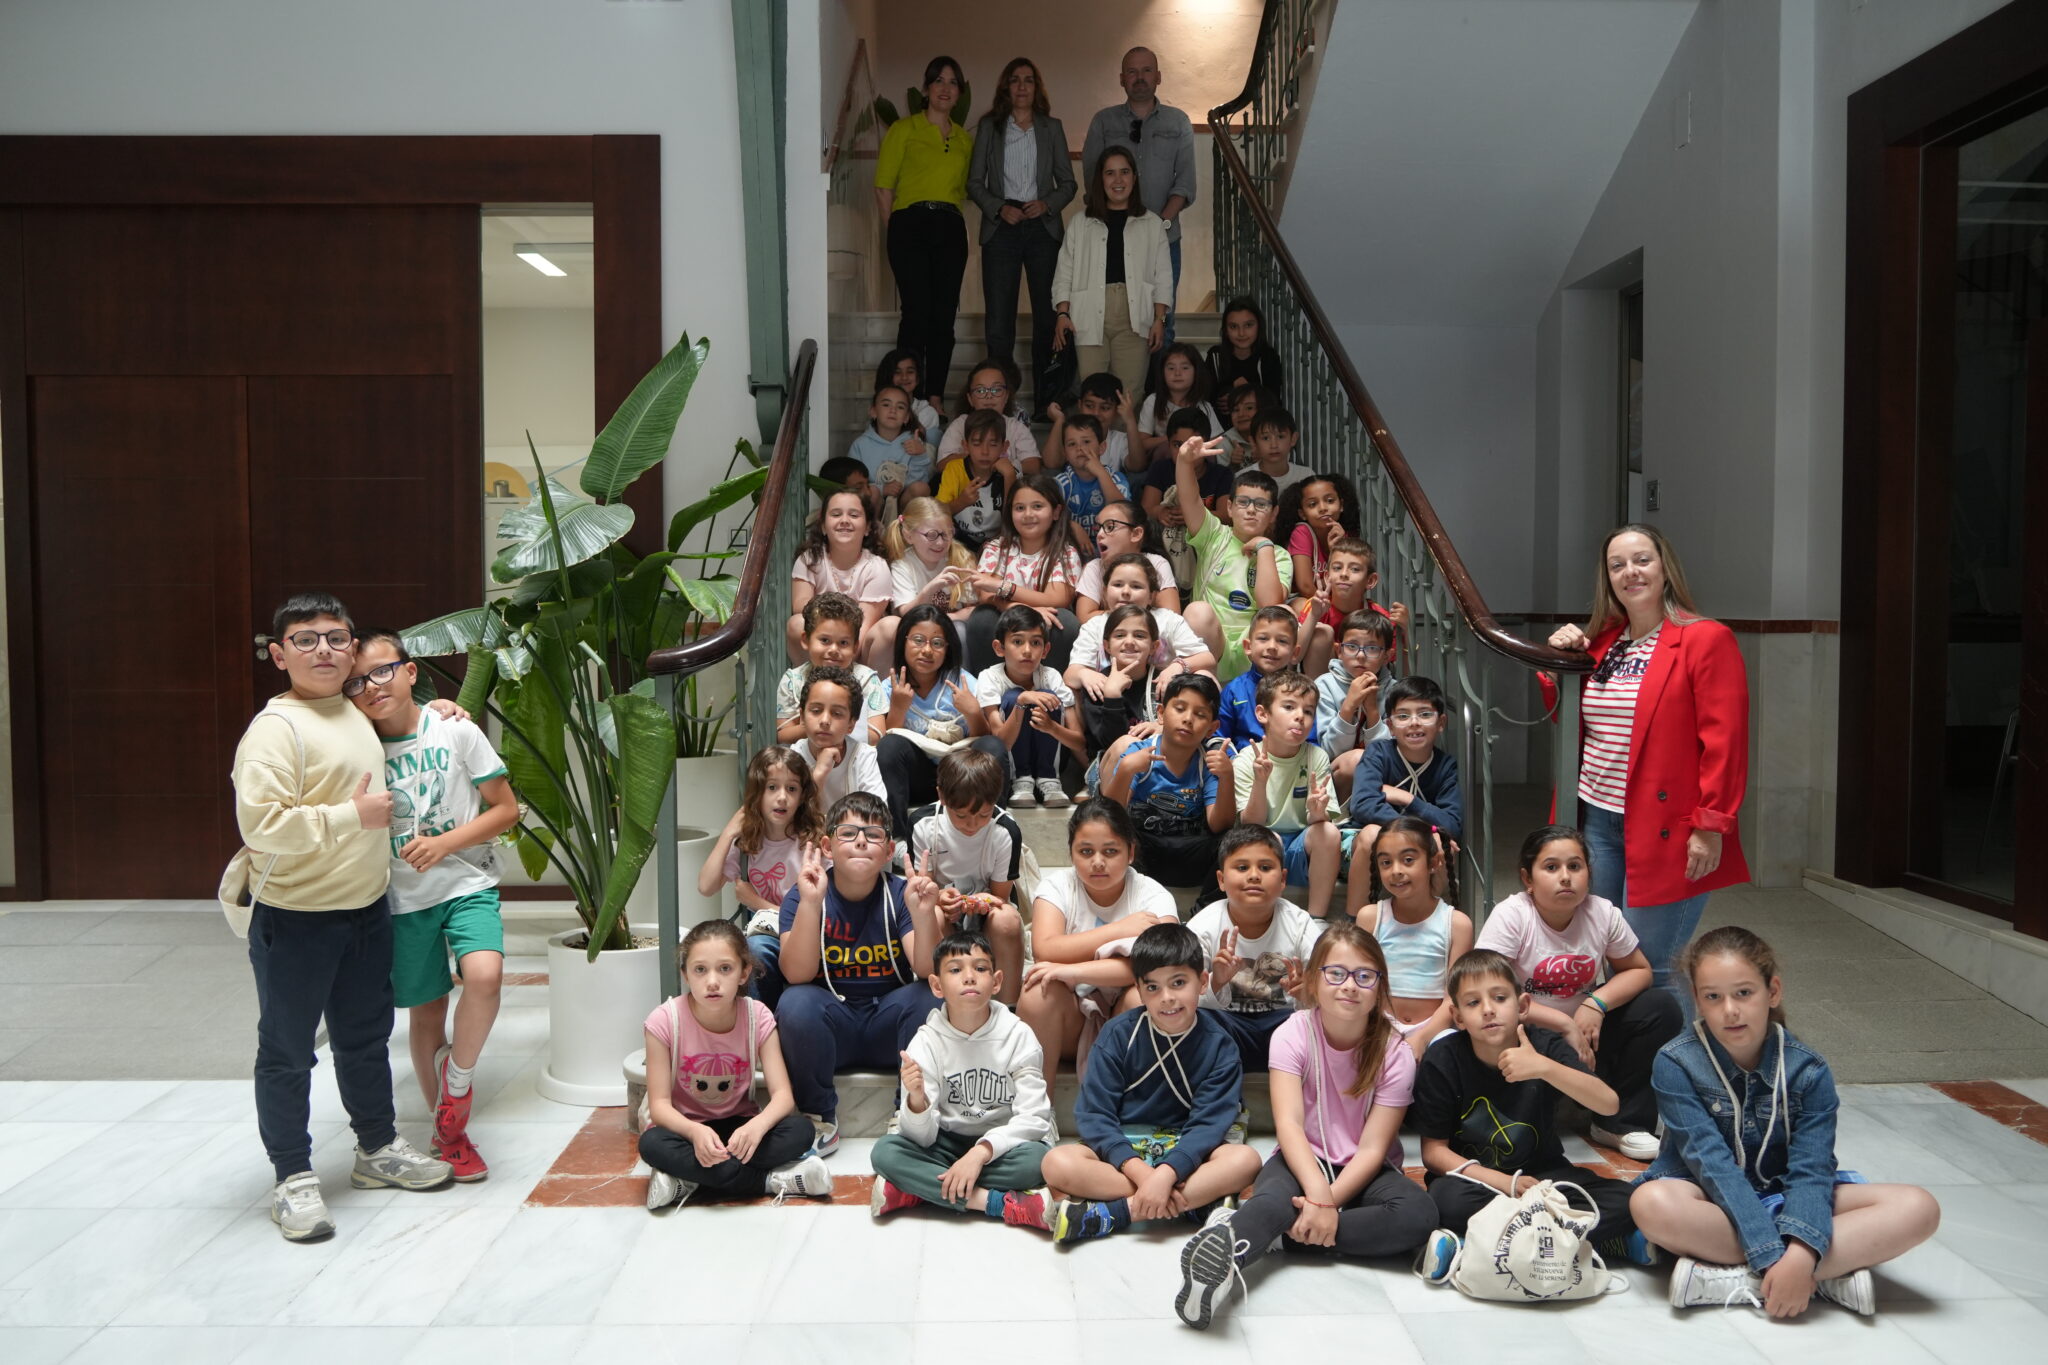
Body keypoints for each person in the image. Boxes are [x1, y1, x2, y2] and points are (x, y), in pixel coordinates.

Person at [233, 593, 451, 1243]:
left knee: (363, 1039)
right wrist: (349, 818)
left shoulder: (352, 710)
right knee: (288, 1051)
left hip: (364, 911)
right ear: (279, 655)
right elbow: (260, 827)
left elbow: (398, 716)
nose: (324, 649)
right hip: (297, 918)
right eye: (306, 640)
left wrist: (438, 710)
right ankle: (293, 1178)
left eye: (336, 637)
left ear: (353, 648)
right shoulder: (276, 729)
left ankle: (376, 1149)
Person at [1631, 927, 1941, 1317]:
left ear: (1772, 991)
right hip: (1709, 1198)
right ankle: (1821, 1277)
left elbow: (1812, 1170)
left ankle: (1750, 1278)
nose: (1730, 1009)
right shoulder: (1675, 1062)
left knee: (1918, 1207)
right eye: (1713, 996)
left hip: (1787, 1194)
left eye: (1744, 993)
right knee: (1652, 1202)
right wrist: (1774, 1251)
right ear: (1697, 1000)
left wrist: (1802, 1250)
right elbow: (1712, 1165)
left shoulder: (1809, 1070)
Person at [1174, 921, 1434, 1329]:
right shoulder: (1292, 1033)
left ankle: (1271, 1234)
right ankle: (1225, 1263)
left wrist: (1325, 1204)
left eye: (1365, 976)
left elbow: (1371, 1149)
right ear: (1314, 980)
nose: (1350, 985)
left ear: (1379, 987)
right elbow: (1290, 1126)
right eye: (1336, 973)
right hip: (1300, 1159)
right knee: (1274, 1199)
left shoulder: (1395, 1052)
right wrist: (1317, 1196)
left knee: (1417, 1214)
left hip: (1365, 1170)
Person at [1547, 524, 1751, 999]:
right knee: (1611, 957)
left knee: (1653, 966)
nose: (1630, 572)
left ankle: (1672, 1070)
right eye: (1617, 565)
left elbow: (1726, 742)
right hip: (1597, 819)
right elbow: (1572, 720)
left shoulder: (1704, 639)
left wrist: (1711, 825)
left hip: (1668, 827)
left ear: (1665, 568)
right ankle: (1629, 1067)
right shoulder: (1603, 643)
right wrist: (1558, 659)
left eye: (1642, 560)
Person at [345, 631, 519, 1182]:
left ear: (410, 671)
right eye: (356, 682)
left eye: (381, 671)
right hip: (399, 901)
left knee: (485, 974)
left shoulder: (454, 729)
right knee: (426, 1011)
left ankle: (458, 1086)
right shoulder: (357, 748)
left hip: (467, 882)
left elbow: (506, 810)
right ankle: (449, 1134)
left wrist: (446, 843)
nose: (372, 687)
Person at [1411, 948, 1653, 1277]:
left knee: (1629, 1201)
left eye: (1499, 998)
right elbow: (1434, 1153)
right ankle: (1588, 1243)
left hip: (1544, 1175)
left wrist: (1544, 1068)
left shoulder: (1545, 1047)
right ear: (1457, 1017)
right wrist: (1505, 1183)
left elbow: (1608, 1103)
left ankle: (1479, 1246)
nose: (1487, 1010)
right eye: (1472, 1003)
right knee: (1444, 1201)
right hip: (1479, 1182)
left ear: (1522, 1006)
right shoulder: (1444, 1058)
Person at [1027, 923, 1265, 1241]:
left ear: (1203, 981)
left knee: (1245, 1160)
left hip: (1186, 1149)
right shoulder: (1117, 1034)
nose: (1167, 998)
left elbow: (1208, 1126)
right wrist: (1143, 1174)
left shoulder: (1220, 1045)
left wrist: (1167, 1173)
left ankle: (1116, 1212)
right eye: (1152, 987)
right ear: (1139, 990)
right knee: (1057, 1163)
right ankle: (1190, 1205)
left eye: (1178, 983)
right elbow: (1095, 1116)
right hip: (1126, 1150)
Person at [1476, 824, 1682, 1162]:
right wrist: (1563, 1023)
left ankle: (1619, 1123)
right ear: (1528, 879)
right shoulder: (1512, 916)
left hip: (1589, 1031)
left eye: (1575, 866)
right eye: (1551, 867)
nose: (1566, 877)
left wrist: (1595, 1004)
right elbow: (1488, 989)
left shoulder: (1602, 913)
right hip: (1527, 1032)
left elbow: (1639, 970)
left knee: (1660, 1007)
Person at [774, 792, 944, 1156]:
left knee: (929, 995)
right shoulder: (804, 893)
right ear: (827, 846)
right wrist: (810, 903)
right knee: (795, 1001)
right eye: (848, 832)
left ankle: (908, 1113)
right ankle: (819, 1116)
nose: (861, 840)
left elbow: (928, 970)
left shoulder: (900, 892)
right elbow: (796, 972)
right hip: (833, 1030)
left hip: (889, 1028)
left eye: (873, 834)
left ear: (889, 851)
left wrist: (924, 913)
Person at [870, 928, 1055, 1222]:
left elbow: (1033, 1118)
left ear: (996, 982)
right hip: (945, 1143)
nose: (969, 977)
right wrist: (917, 1102)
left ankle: (919, 1190)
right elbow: (921, 1134)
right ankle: (996, 1203)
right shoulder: (926, 1041)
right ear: (936, 986)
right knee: (885, 1152)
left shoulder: (1018, 1035)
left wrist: (980, 1154)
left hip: (999, 1145)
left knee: (1041, 1161)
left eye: (980, 969)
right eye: (955, 970)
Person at [640, 921, 828, 1210]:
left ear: (744, 973)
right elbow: (660, 1106)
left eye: (725, 968)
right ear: (685, 975)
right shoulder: (663, 1021)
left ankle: (688, 1181)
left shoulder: (758, 1016)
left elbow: (783, 1097)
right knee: (651, 1144)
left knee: (801, 1131)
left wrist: (756, 1126)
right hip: (686, 1129)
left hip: (739, 1127)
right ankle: (770, 1181)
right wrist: (694, 1132)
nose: (712, 981)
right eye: (700, 969)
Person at [1016, 798, 1178, 1090]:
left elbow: (1161, 968)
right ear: (1072, 853)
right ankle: (1039, 1112)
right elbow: (1046, 948)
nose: (1098, 862)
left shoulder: (1152, 895)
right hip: (1070, 1021)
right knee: (1037, 992)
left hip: (1123, 1018)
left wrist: (1074, 971)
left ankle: (1139, 1110)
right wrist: (1120, 930)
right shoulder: (1057, 887)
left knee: (1148, 995)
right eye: (1086, 851)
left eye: (1111, 851)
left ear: (1130, 852)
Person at [967, 57, 1076, 420]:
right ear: (1005, 87)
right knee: (1000, 319)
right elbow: (974, 183)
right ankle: (1000, 403)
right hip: (1002, 226)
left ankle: (1048, 403)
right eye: (1015, 80)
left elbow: (1069, 183)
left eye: (1029, 80)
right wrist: (999, 208)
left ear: (1037, 87)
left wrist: (1047, 203)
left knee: (1048, 319)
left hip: (1042, 225)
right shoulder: (989, 127)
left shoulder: (1052, 128)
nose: (1022, 86)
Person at [1186, 824, 1327, 1071]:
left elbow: (1324, 983)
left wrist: (1306, 994)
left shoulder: (1299, 923)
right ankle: (1225, 1103)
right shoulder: (1204, 926)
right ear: (1221, 880)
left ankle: (1308, 1105)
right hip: (1228, 1023)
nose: (1254, 875)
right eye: (1242, 868)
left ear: (1283, 879)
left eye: (1265, 867)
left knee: (1320, 1019)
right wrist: (1216, 982)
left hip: (1284, 1023)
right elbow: (1185, 994)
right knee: (1195, 1021)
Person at [1081, 46, 1197, 343]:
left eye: (1146, 70)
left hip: (1164, 238)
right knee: (1114, 319)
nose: (1140, 77)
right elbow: (1094, 181)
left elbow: (1184, 182)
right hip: (1113, 239)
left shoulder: (1178, 122)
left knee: (1163, 323)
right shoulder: (1103, 122)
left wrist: (1161, 224)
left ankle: (1158, 390)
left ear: (1158, 76)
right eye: (1132, 71)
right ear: (1122, 79)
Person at [875, 56, 973, 408]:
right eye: (939, 81)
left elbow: (961, 189)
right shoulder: (904, 129)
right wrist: (896, 230)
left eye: (953, 82)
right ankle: (908, 397)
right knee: (916, 312)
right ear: (927, 88)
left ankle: (934, 397)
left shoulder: (964, 139)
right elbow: (884, 187)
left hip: (949, 225)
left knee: (944, 316)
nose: (946, 88)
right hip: (909, 225)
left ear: (959, 92)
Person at [703, 744, 826, 1011]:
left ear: (802, 796)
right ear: (757, 793)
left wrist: (758, 902)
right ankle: (759, 1030)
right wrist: (728, 834)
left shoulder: (811, 843)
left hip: (808, 935)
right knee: (754, 951)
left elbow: (819, 910)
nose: (782, 797)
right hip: (767, 938)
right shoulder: (749, 843)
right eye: (772, 787)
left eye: (791, 789)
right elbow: (706, 885)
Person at [1051, 146, 1172, 404]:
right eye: (1110, 173)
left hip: (1134, 317)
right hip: (1088, 316)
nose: (1118, 180)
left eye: (1125, 172)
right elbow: (1065, 272)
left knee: (1129, 397)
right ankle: (1092, 446)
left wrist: (1159, 319)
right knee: (1092, 396)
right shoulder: (1080, 222)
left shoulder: (1152, 223)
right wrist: (1062, 313)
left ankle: (1125, 446)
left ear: (1134, 177)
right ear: (1100, 179)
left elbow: (1162, 275)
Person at [907, 747, 1027, 1000]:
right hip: (944, 910)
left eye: (983, 814)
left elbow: (1000, 897)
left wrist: (978, 902)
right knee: (933, 914)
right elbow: (923, 886)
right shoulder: (924, 824)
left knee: (1007, 919)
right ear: (941, 795)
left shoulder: (1004, 831)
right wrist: (940, 896)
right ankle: (943, 999)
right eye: (961, 815)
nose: (972, 825)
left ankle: (1008, 1005)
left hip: (987, 914)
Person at [1099, 673, 1236, 895]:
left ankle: (1207, 909)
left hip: (1189, 852)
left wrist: (1227, 776)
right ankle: (1126, 904)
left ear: (1211, 728)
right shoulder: (1139, 752)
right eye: (1180, 709)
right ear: (1161, 714)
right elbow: (1111, 814)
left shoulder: (1210, 760)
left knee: (1233, 841)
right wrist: (1126, 770)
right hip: (1143, 854)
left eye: (1200, 714)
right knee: (1111, 832)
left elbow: (1219, 825)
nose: (1188, 719)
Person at [872, 604, 1006, 831]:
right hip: (918, 777)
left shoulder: (964, 682)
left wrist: (972, 712)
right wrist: (898, 708)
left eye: (936, 643)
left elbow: (983, 740)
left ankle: (998, 827)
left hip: (962, 775)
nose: (926, 650)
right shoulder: (889, 687)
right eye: (917, 640)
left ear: (947, 648)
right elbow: (889, 745)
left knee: (993, 745)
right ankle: (896, 837)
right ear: (903, 643)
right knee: (889, 745)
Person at [1173, 434, 1292, 681]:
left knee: (1279, 611)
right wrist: (1184, 462)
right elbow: (1189, 499)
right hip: (1212, 644)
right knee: (1197, 611)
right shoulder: (1214, 535)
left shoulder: (1279, 555)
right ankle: (1206, 684)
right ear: (1229, 507)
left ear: (1273, 513)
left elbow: (1269, 604)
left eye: (1261, 505)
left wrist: (1264, 547)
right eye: (1243, 502)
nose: (1250, 510)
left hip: (1253, 647)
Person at [1345, 675, 1462, 917]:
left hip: (1416, 847)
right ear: (1389, 725)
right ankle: (1354, 922)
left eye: (1425, 714)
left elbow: (1452, 824)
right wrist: (1421, 830)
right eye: (1403, 716)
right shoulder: (1378, 752)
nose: (1414, 723)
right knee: (1371, 834)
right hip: (1363, 846)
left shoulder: (1446, 765)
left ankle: (1430, 920)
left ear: (1441, 722)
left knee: (1440, 841)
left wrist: (1406, 799)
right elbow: (1363, 805)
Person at [1357, 816, 1472, 1060]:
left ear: (1434, 862)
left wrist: (1422, 1038)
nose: (1396, 871)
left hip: (1436, 1030)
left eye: (1408, 860)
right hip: (1380, 1026)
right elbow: (1362, 982)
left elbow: (1454, 997)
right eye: (1386, 862)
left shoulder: (1457, 924)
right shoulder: (1370, 918)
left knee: (1448, 1053)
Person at [1231, 673, 1345, 918]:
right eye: (1289, 707)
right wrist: (1260, 782)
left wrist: (1317, 812)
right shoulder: (1246, 759)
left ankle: (1317, 919)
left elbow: (1321, 823)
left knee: (1328, 832)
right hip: (1261, 845)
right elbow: (1251, 824)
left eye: (1308, 711)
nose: (1300, 717)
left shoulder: (1317, 756)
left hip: (1301, 847)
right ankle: (1271, 918)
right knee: (1268, 838)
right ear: (1263, 714)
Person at [961, 470, 1085, 673]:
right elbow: (986, 595)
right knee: (982, 617)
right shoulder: (996, 548)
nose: (1028, 514)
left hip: (1043, 627)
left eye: (1037, 506)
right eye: (1019, 508)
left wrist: (1004, 587)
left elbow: (1058, 598)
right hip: (1006, 619)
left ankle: (1051, 689)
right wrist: (1025, 610)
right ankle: (989, 689)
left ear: (1055, 512)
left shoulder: (1065, 552)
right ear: (1010, 513)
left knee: (1066, 621)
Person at [975, 604, 1083, 809]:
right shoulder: (989, 678)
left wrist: (1051, 727)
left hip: (1051, 756)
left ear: (1045, 650)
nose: (1027, 651)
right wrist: (1020, 703)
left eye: (1035, 643)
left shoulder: (1050, 677)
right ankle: (1021, 780)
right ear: (999, 648)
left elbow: (1078, 741)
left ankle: (1049, 778)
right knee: (1013, 697)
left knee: (1048, 696)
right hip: (1011, 759)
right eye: (1017, 641)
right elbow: (1000, 742)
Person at [786, 488, 891, 663]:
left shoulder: (877, 567)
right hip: (821, 643)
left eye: (854, 515)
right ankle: (813, 684)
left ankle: (871, 689)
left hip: (859, 646)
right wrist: (829, 643)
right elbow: (801, 606)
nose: (844, 521)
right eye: (836, 514)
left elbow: (864, 623)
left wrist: (844, 654)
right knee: (796, 623)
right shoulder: (810, 559)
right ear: (823, 526)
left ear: (867, 528)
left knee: (891, 625)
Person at [778, 592, 886, 743]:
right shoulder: (793, 680)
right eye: (825, 640)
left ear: (855, 646)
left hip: (854, 760)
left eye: (843, 643)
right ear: (806, 640)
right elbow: (782, 735)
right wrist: (817, 725)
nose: (834, 650)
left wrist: (836, 727)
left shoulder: (866, 679)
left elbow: (877, 734)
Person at [1143, 408, 1230, 589]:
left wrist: (1193, 515)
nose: (1184, 451)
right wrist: (1160, 512)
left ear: (1206, 445)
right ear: (1168, 445)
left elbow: (1227, 515)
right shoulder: (1161, 469)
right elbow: (1146, 508)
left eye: (1191, 445)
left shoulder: (1221, 474)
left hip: (1207, 549)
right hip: (1166, 548)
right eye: (1177, 444)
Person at [1315, 608, 1392, 801]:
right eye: (1352, 646)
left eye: (1372, 648)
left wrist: (1373, 711)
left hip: (1382, 777)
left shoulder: (1394, 691)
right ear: (1339, 651)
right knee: (1357, 759)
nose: (1360, 655)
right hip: (1336, 775)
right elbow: (1327, 752)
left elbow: (1389, 757)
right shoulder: (1323, 686)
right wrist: (1349, 707)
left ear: (1387, 656)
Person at [788, 664, 888, 810]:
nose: (824, 721)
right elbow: (790, 817)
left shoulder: (862, 756)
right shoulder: (794, 757)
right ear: (802, 716)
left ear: (851, 724)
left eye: (837, 713)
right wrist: (820, 772)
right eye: (816, 710)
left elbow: (878, 814)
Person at [1215, 607, 1315, 746]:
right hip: (1241, 763)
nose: (1272, 646)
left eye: (1282, 641)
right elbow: (1218, 737)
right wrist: (1231, 759)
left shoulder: (1303, 693)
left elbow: (1311, 742)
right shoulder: (1234, 690)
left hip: (1290, 763)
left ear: (1295, 653)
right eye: (1263, 638)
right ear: (1248, 646)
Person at [934, 358, 1043, 476]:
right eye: (980, 390)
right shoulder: (960, 424)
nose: (989, 396)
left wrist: (1002, 465)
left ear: (1006, 396)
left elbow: (1034, 465)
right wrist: (975, 459)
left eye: (996, 390)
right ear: (970, 398)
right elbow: (942, 465)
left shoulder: (1015, 427)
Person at [1073, 500, 1180, 616]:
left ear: (1136, 534)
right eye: (1098, 528)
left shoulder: (1157, 564)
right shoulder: (1094, 568)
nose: (1099, 534)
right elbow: (1085, 616)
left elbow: (1172, 615)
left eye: (1110, 527)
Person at [934, 408, 1016, 554]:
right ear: (965, 446)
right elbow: (936, 513)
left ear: (1004, 447)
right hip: (958, 540)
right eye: (977, 443)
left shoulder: (1008, 472)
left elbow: (1013, 521)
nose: (985, 452)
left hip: (997, 542)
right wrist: (961, 502)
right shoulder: (954, 468)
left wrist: (1009, 476)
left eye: (993, 444)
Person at [847, 383, 934, 508]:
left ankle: (906, 526)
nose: (893, 410)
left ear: (906, 418)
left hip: (903, 504)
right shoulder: (860, 444)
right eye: (886, 405)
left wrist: (920, 455)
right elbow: (853, 484)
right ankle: (874, 527)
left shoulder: (913, 442)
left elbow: (921, 483)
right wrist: (883, 489)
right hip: (873, 505)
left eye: (900, 407)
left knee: (922, 488)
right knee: (873, 493)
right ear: (873, 412)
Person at [1136, 342, 1221, 467]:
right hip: (1165, 462)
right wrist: (1172, 439)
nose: (1177, 373)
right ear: (1162, 372)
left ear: (1196, 372)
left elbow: (1216, 441)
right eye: (1171, 368)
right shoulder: (1153, 401)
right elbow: (1142, 444)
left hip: (1195, 463)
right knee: (1166, 449)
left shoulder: (1203, 406)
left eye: (1185, 368)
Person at [1044, 372, 1141, 476]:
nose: (1096, 413)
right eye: (1089, 406)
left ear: (1117, 411)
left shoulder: (1120, 440)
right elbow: (1051, 464)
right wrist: (1059, 420)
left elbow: (1137, 467)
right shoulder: (1069, 434)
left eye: (1105, 408)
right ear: (1080, 405)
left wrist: (1130, 420)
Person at [1051, 412, 1130, 539]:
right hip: (1071, 549)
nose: (1079, 448)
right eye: (1072, 444)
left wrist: (1101, 473)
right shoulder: (1060, 483)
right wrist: (1072, 526)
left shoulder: (1115, 478)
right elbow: (1049, 520)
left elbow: (1124, 515)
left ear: (1102, 447)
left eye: (1086, 442)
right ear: (1065, 452)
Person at [1207, 297, 1284, 397]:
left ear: (1259, 326)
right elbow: (1204, 395)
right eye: (1233, 327)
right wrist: (1228, 394)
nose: (1241, 333)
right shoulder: (1215, 356)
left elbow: (1273, 400)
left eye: (1248, 325)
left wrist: (1245, 395)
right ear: (1225, 330)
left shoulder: (1268, 357)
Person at [874, 349, 943, 447]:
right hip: (882, 458)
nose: (904, 377)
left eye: (910, 372)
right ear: (888, 376)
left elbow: (929, 450)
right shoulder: (880, 408)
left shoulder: (927, 413)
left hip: (916, 459)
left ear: (918, 378)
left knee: (934, 434)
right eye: (897, 372)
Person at [1246, 404, 1312, 494]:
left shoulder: (1306, 475)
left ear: (1293, 439)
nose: (1274, 445)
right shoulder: (1244, 479)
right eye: (1265, 438)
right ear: (1253, 442)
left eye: (1280, 436)